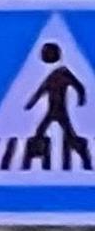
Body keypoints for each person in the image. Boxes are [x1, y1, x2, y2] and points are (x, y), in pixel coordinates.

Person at [22, 41, 92, 170]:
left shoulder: (64, 73)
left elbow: (79, 86)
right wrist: (31, 104)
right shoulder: (54, 75)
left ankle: (82, 153)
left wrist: (81, 99)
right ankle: (39, 151)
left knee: (66, 133)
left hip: (59, 110)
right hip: (52, 110)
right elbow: (41, 91)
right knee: (43, 130)